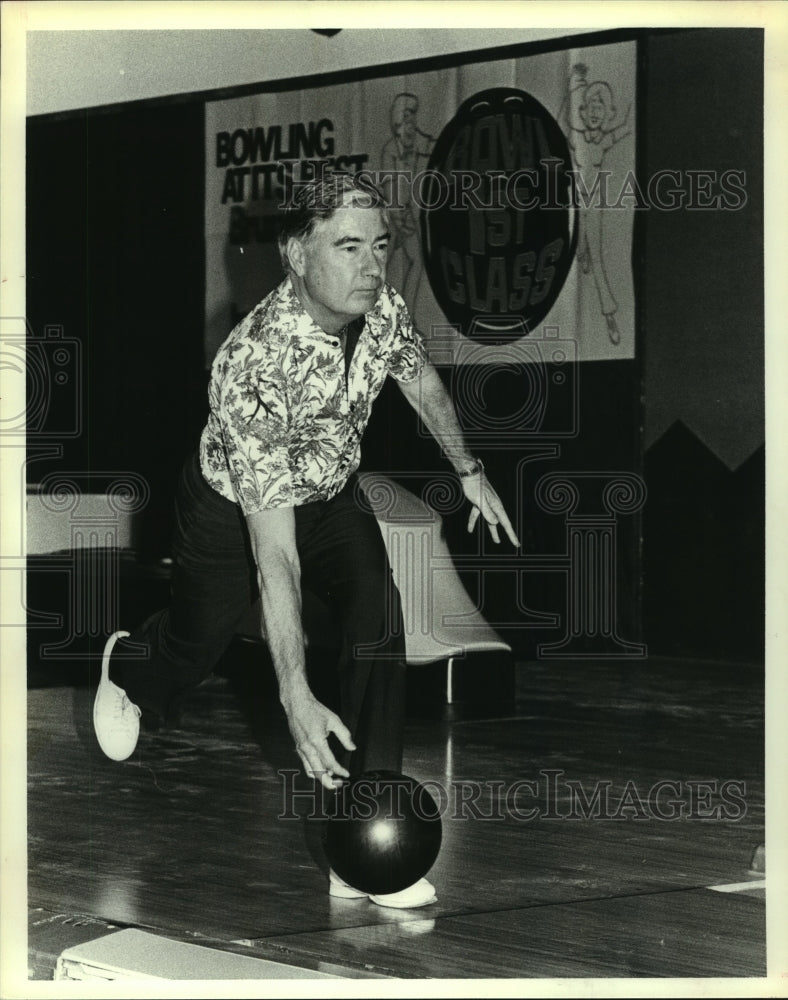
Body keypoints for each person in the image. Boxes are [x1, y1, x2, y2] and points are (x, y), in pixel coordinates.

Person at [93, 172, 519, 909]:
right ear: (296, 253)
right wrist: (295, 697)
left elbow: (419, 383)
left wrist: (469, 469)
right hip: (234, 512)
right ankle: (131, 667)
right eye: (348, 247)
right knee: (198, 641)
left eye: (379, 246)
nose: (371, 265)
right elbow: (276, 557)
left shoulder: (380, 308)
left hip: (329, 494)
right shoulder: (254, 364)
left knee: (376, 617)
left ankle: (363, 834)